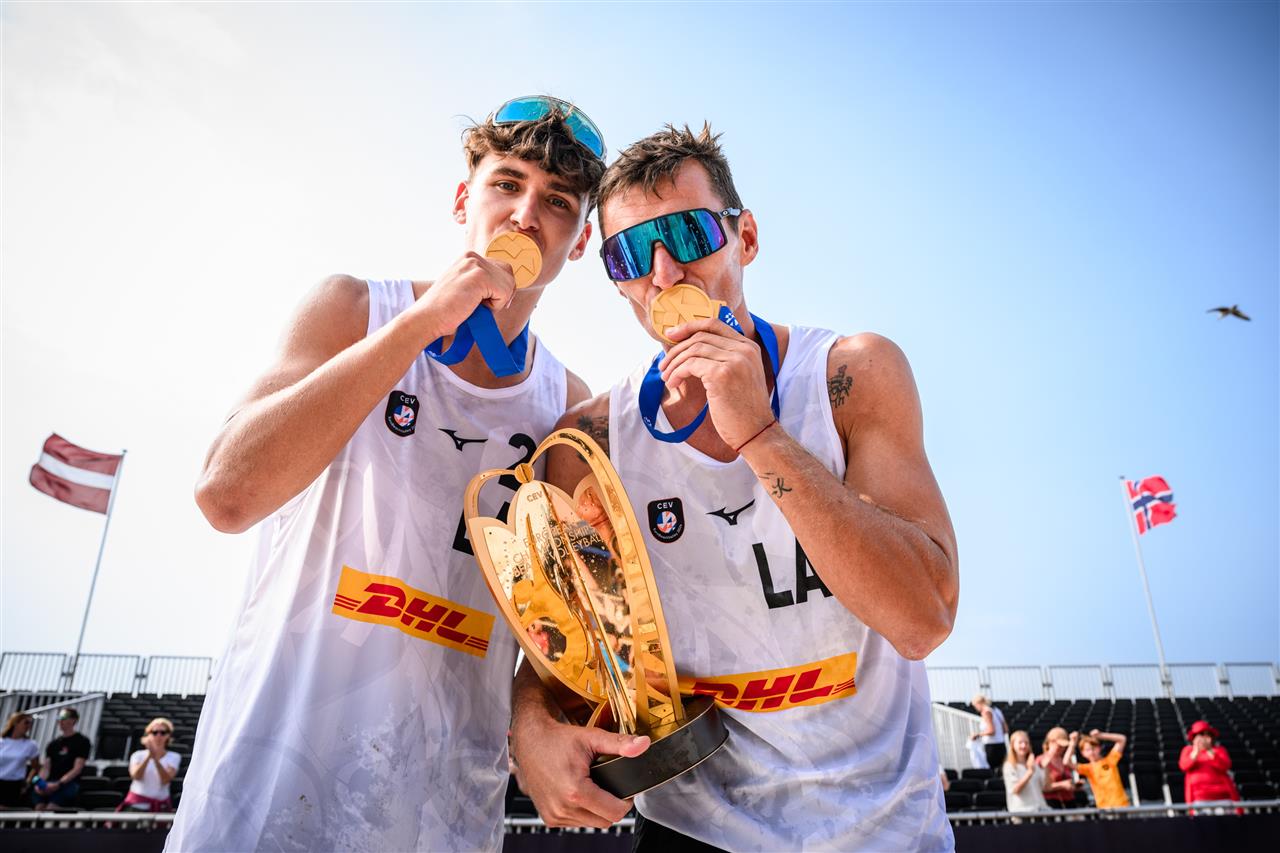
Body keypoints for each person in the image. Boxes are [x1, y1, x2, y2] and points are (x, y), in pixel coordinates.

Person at [164, 95, 608, 852]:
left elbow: (557, 636)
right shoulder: (354, 310)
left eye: (557, 202)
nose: (525, 215)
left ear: (579, 239)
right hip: (261, 808)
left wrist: (535, 720)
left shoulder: (567, 410)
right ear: (465, 198)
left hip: (440, 821)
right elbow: (225, 494)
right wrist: (419, 326)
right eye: (506, 184)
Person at [511, 125, 958, 851]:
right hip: (696, 830)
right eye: (630, 254)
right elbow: (560, 643)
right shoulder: (590, 443)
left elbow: (922, 617)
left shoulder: (850, 376)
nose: (664, 275)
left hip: (880, 830)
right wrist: (530, 725)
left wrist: (759, 434)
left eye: (687, 234)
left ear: (744, 237)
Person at [32, 708, 90, 811]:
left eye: (63, 717)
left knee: (51, 808)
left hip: (68, 784)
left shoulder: (82, 741)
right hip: (50, 782)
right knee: (39, 808)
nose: (60, 721)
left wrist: (59, 784)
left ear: (73, 720)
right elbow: (46, 767)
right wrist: (40, 783)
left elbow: (77, 769)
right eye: (59, 718)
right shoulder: (53, 744)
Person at [119, 718, 181, 812]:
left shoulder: (174, 756)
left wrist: (155, 759)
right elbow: (136, 776)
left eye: (163, 732)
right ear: (148, 734)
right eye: (155, 732)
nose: (159, 735)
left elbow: (165, 780)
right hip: (137, 805)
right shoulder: (137, 755)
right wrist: (149, 757)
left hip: (161, 806)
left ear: (168, 735)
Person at [1178, 720, 1240, 808]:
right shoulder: (1188, 750)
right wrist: (1196, 752)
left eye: (1206, 735)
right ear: (1194, 738)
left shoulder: (1219, 750)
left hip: (1222, 798)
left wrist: (1210, 751)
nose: (1203, 739)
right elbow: (1184, 766)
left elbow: (1225, 766)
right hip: (1199, 799)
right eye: (1200, 735)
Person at [1066, 729, 1129, 809]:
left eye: (1093, 748)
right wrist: (1072, 743)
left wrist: (1101, 735)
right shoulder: (1087, 768)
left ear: (1099, 748)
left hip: (1121, 804)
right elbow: (1066, 762)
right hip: (1103, 807)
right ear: (1083, 753)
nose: (1092, 752)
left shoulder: (1110, 760)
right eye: (1087, 750)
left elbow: (1122, 739)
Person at [1003, 730, 1048, 813]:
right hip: (1022, 811)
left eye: (1026, 743)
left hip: (1040, 809)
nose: (1024, 746)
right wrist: (1030, 772)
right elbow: (1015, 789)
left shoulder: (1033, 764)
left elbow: (1044, 787)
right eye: (1020, 743)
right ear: (1013, 745)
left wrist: (1045, 767)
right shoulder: (1009, 766)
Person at [0, 713, 39, 808]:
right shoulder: (2, 742)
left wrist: (27, 782)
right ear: (15, 723)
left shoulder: (31, 745)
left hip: (14, 785)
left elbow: (36, 767)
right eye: (26, 722)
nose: (28, 726)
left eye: (30, 723)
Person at [1038, 726, 1080, 809]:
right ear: (1050, 743)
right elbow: (1042, 786)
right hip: (1051, 803)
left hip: (1069, 802)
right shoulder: (1041, 760)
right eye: (1058, 745)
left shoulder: (1065, 760)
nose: (1061, 748)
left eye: (1063, 746)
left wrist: (1075, 785)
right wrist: (1062, 785)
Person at [968, 693, 1008, 768]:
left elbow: (991, 731)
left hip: (992, 747)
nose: (976, 708)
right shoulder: (997, 710)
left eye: (975, 706)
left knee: (992, 771)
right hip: (1001, 744)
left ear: (978, 703)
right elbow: (1005, 729)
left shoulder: (986, 712)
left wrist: (977, 735)